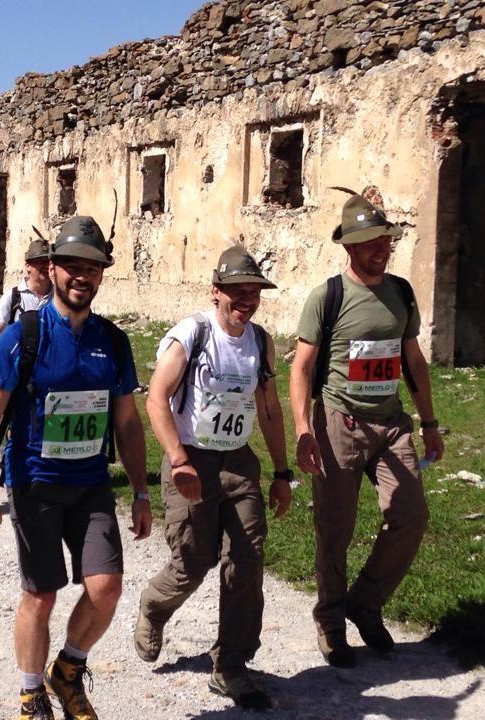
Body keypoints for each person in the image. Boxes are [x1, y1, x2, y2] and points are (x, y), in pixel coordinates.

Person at [0, 215, 152, 720]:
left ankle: (67, 670)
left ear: (102, 274)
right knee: (41, 595)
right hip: (35, 483)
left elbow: (127, 422)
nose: (81, 276)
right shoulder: (22, 336)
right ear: (51, 268)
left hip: (90, 483)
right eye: (71, 265)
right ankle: (31, 693)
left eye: (91, 267)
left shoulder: (112, 341)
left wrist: (141, 492)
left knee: (106, 588)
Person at [288, 191, 444, 668]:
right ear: (350, 246)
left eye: (386, 239)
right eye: (373, 241)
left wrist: (430, 423)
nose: (383, 247)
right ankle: (331, 621)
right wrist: (303, 428)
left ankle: (365, 602)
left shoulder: (401, 292)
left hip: (392, 423)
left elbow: (412, 360)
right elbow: (301, 367)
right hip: (340, 421)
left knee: (411, 516)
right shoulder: (328, 297)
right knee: (335, 529)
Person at [134, 246, 292, 710]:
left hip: (238, 463)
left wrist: (282, 472)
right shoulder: (192, 334)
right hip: (191, 460)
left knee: (247, 561)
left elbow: (269, 408)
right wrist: (178, 459)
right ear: (216, 291)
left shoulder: (260, 342)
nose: (247, 300)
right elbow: (156, 399)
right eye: (237, 291)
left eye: (254, 292)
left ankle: (231, 666)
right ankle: (154, 606)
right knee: (192, 561)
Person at [0, 238, 52, 353]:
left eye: (48, 261)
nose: (45, 265)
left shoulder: (60, 297)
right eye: (40, 261)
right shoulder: (13, 297)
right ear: (28, 265)